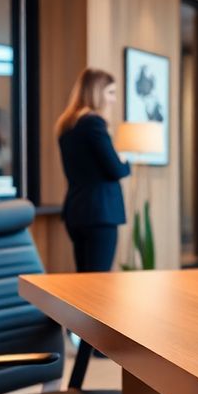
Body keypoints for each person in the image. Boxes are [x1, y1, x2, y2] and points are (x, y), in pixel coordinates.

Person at [56, 68, 131, 273]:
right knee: (98, 282)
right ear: (96, 93)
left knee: (84, 279)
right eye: (110, 92)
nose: (114, 99)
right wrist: (124, 159)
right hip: (100, 213)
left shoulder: (67, 125)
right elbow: (116, 169)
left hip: (76, 210)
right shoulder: (94, 124)